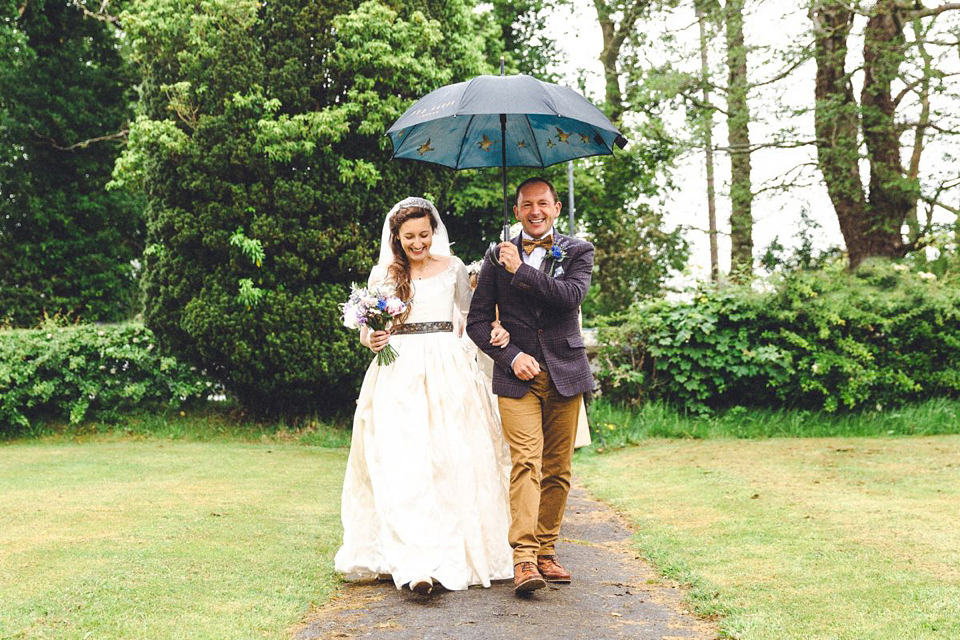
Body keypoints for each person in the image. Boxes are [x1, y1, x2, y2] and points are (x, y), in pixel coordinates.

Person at [334, 197, 514, 596]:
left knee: (452, 460)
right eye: (409, 236)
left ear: (434, 232)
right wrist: (373, 337)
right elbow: (369, 329)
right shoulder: (384, 273)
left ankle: (457, 553)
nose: (417, 243)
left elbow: (474, 317)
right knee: (405, 463)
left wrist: (497, 330)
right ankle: (415, 564)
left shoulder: (452, 268)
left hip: (449, 367)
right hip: (399, 371)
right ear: (397, 237)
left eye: (423, 234)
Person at [467, 177, 595, 595]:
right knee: (526, 462)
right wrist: (509, 356)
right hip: (517, 377)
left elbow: (570, 297)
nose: (535, 211)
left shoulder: (578, 251)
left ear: (557, 207)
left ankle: (546, 551)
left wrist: (520, 270)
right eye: (526, 205)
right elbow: (477, 321)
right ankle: (523, 560)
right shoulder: (494, 255)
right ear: (517, 211)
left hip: (565, 372)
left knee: (558, 470)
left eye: (543, 203)